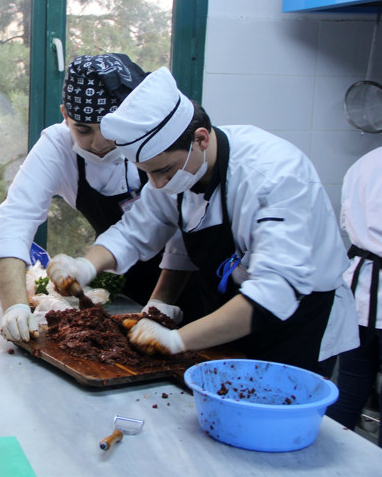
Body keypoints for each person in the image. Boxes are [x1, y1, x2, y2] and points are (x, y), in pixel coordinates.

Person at [46, 67, 359, 374]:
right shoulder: (180, 170)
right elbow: (135, 231)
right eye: (147, 173)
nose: (156, 184)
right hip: (230, 310)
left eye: (163, 171)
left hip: (297, 322)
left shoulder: (274, 176)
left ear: (201, 138)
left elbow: (273, 292)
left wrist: (177, 339)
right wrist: (85, 267)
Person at [0, 53, 165, 343]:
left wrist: (162, 304)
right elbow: (15, 221)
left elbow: (174, 231)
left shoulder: (153, 141)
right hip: (132, 289)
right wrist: (16, 306)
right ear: (65, 115)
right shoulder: (57, 146)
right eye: (82, 130)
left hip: (187, 280)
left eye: (109, 130)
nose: (97, 143)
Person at [326, 146, 382, 444]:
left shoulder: (365, 162)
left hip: (358, 292)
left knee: (348, 392)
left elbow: (347, 222)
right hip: (364, 289)